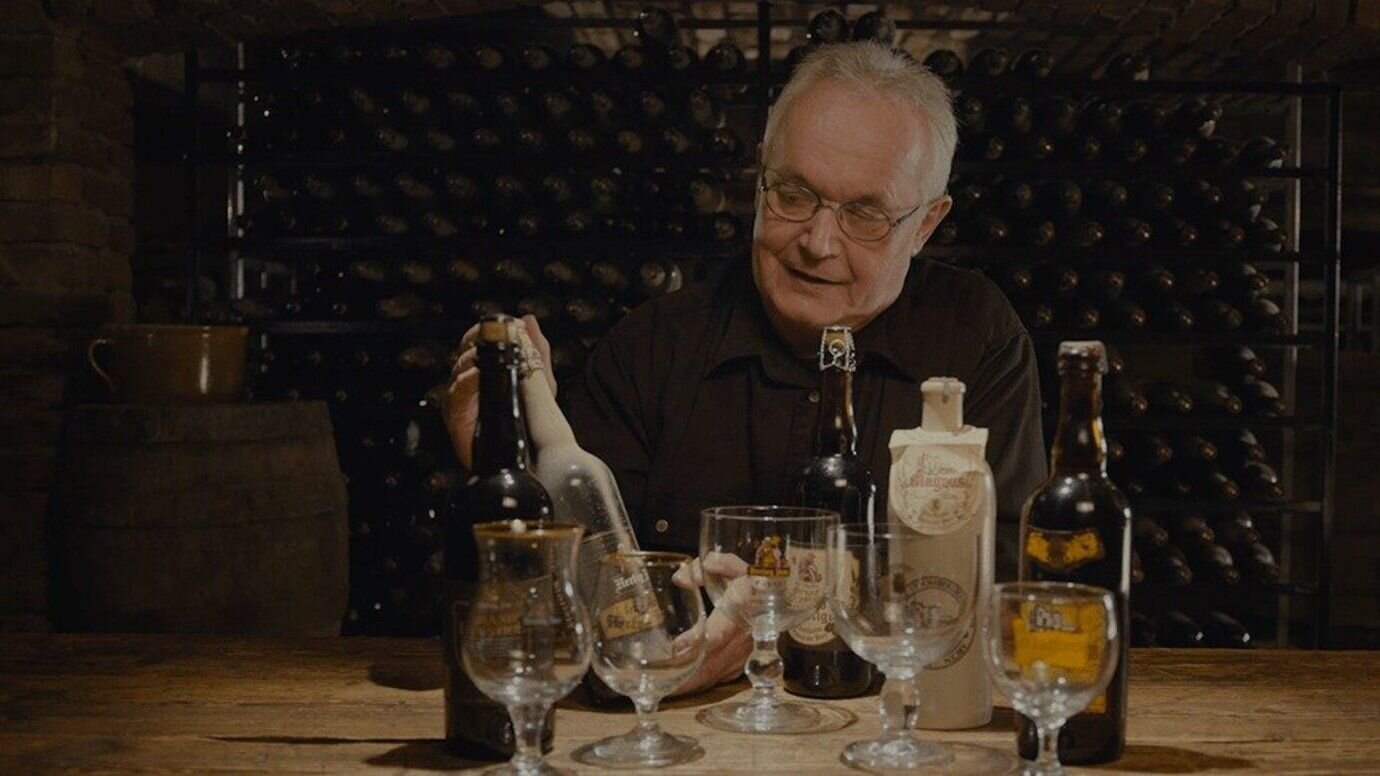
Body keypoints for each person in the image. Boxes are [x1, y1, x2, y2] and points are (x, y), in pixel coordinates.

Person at [444, 42, 1046, 696]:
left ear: (926, 223)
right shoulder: (650, 349)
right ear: (758, 178)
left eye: (865, 215)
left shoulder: (976, 339)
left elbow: (1006, 592)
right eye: (794, 195)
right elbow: (557, 621)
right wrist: (504, 473)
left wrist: (777, 622)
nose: (818, 243)